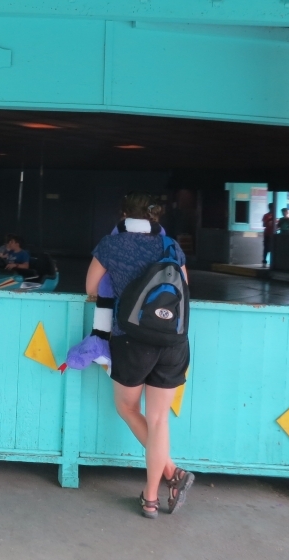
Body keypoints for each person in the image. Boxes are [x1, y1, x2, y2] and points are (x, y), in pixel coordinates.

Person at [86, 192, 194, 518]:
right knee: (160, 419)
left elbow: (91, 287)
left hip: (131, 340)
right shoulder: (170, 246)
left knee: (127, 407)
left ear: (123, 214)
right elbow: (184, 290)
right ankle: (152, 495)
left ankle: (171, 475)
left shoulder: (110, 245)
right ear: (155, 217)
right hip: (173, 341)